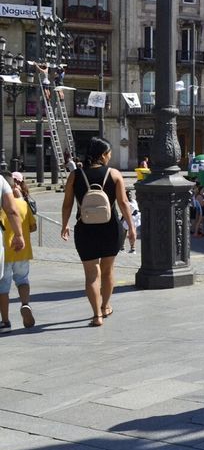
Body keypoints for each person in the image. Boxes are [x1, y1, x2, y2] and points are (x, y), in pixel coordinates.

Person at [59, 137, 133, 328]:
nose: (110, 157)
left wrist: (64, 225)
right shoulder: (114, 174)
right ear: (103, 155)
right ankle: (106, 306)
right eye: (109, 154)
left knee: (91, 274)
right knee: (108, 271)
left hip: (85, 229)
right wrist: (132, 228)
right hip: (110, 228)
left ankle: (96, 315)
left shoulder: (75, 175)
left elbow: (67, 204)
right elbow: (124, 204)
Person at [0, 173, 35, 331]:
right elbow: (32, 227)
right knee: (22, 280)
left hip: (5, 252)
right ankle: (25, 304)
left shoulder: (3, 207)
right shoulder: (22, 204)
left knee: (3, 287)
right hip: (22, 251)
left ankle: (5, 321)